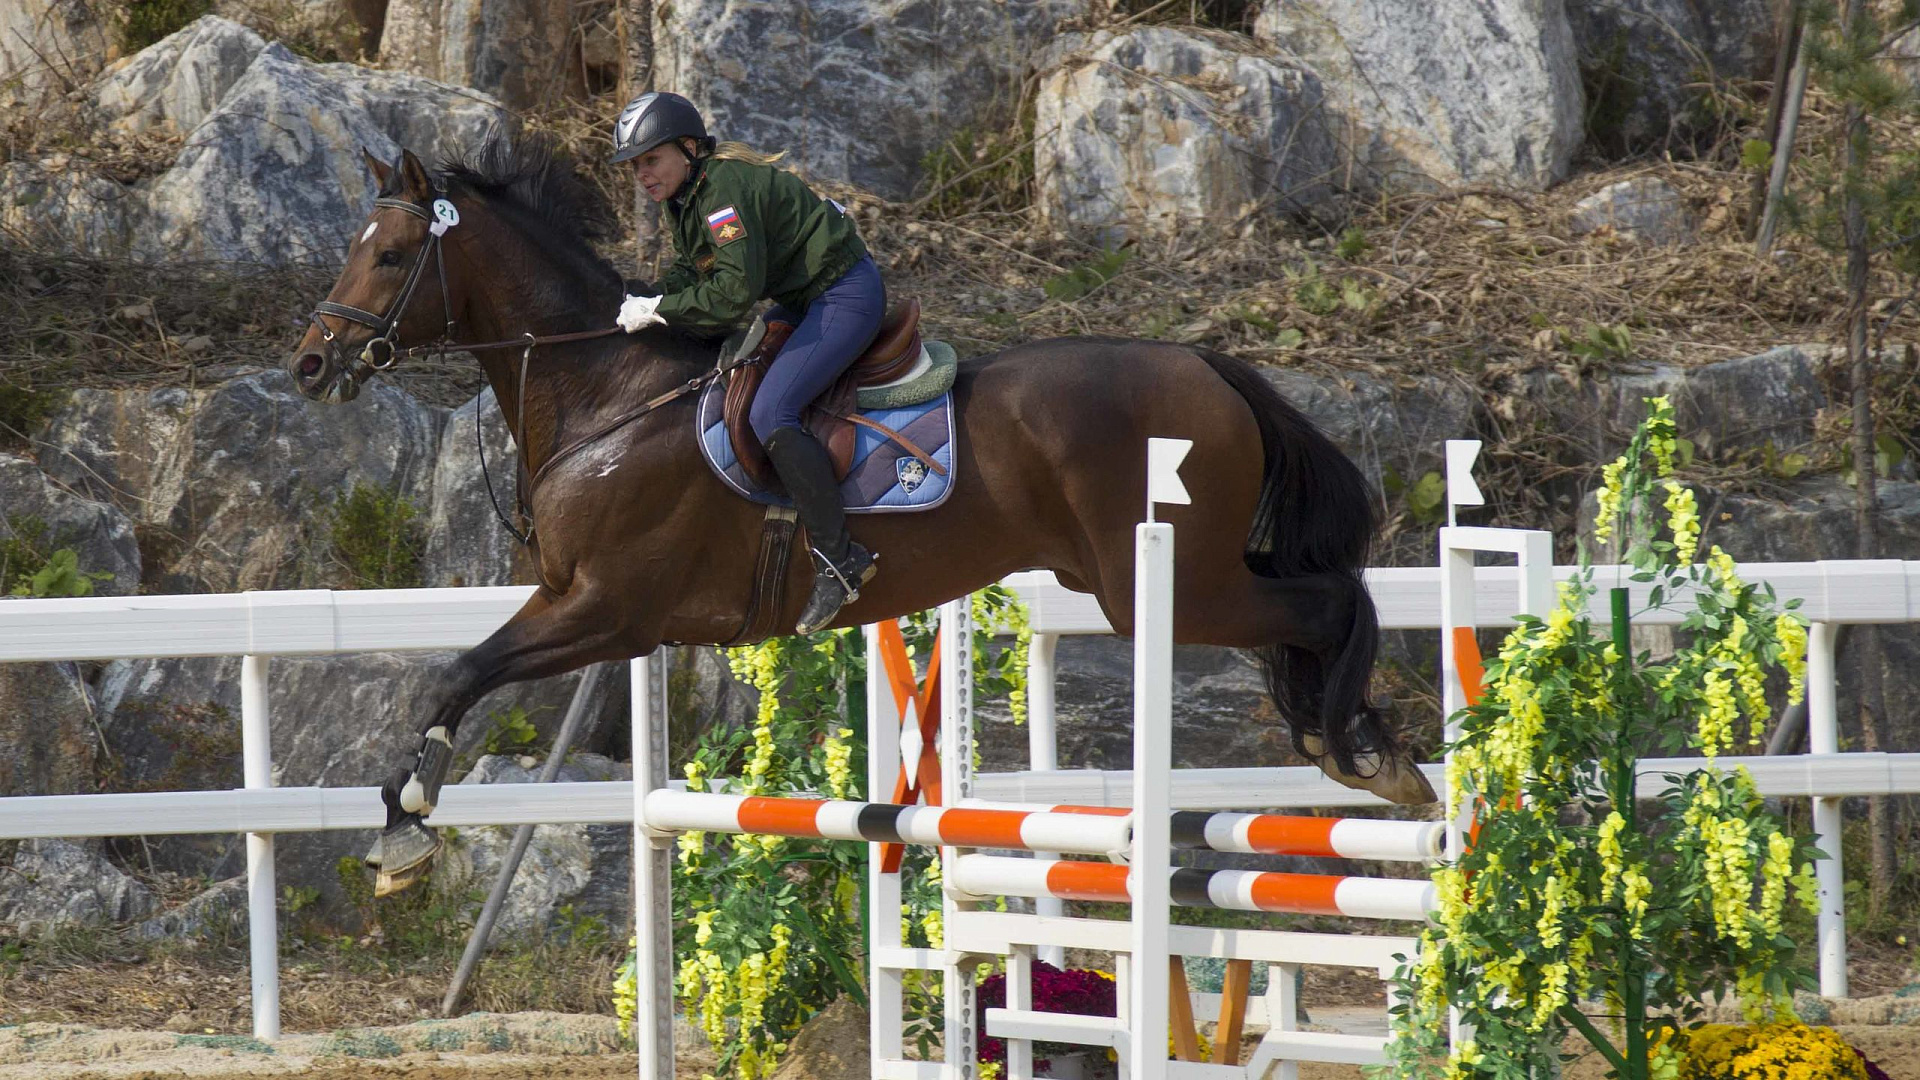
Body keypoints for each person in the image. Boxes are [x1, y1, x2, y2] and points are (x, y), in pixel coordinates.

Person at [611, 91, 883, 635]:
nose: (642, 175)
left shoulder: (722, 195)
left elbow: (732, 295)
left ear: (689, 149)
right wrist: (647, 295)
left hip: (844, 294)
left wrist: (661, 310)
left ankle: (840, 560)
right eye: (635, 165)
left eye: (651, 159)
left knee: (770, 413)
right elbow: (693, 274)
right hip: (806, 300)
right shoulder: (685, 198)